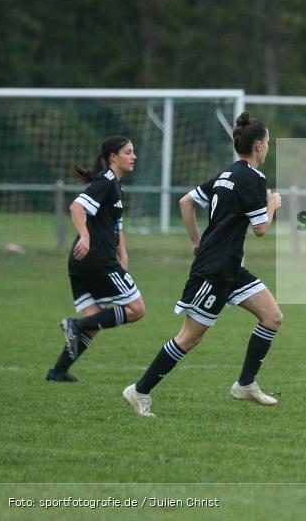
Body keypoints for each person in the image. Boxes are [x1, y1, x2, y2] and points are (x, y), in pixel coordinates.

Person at [123, 112, 284, 417]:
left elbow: (186, 201)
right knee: (190, 337)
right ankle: (139, 390)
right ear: (260, 145)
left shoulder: (226, 174)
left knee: (272, 316)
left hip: (230, 268)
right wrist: (271, 205)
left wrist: (196, 240)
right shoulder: (253, 177)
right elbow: (261, 229)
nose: (268, 148)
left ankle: (245, 384)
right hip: (213, 271)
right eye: (268, 143)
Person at [47, 136, 146, 382]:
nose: (133, 156)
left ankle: (57, 371)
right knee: (136, 310)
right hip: (97, 259)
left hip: (82, 261)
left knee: (94, 321)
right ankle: (74, 326)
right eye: (128, 152)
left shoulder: (115, 186)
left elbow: (116, 225)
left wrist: (123, 253)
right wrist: (85, 235)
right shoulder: (106, 181)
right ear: (113, 157)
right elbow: (76, 207)